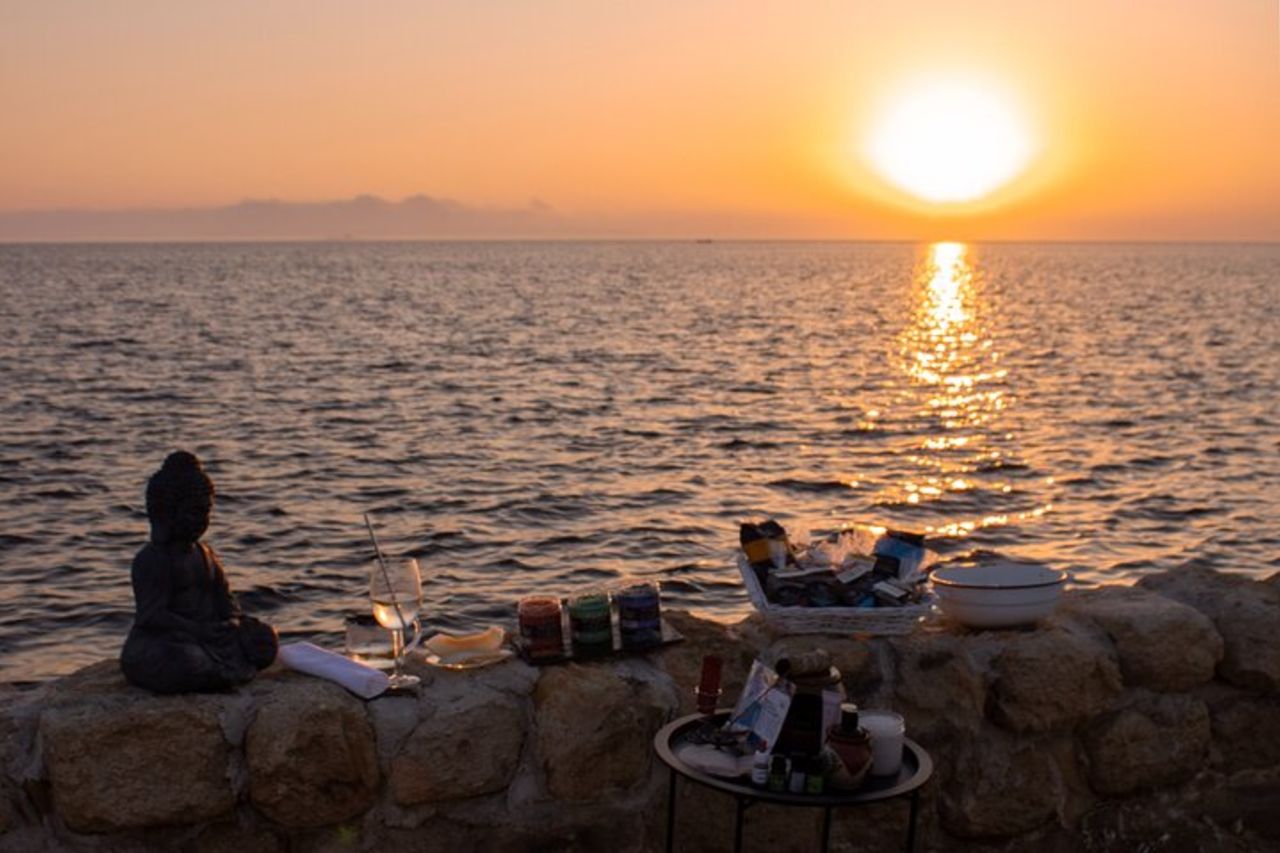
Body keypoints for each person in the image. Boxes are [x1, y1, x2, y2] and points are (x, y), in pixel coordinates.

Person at [120, 451, 277, 693]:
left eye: (206, 512)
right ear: (165, 514)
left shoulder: (205, 554)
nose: (202, 520)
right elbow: (151, 617)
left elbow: (225, 601)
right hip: (168, 639)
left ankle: (216, 671)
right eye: (193, 512)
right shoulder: (153, 560)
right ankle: (213, 672)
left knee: (265, 640)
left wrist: (232, 622)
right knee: (185, 659)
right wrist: (196, 630)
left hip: (212, 636)